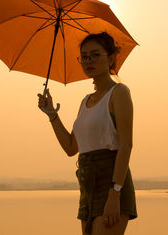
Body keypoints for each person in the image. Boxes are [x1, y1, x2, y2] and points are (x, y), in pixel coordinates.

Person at [37, 32, 138, 235]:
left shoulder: (119, 92)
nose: (88, 61)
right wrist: (51, 115)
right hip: (87, 185)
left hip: (111, 182)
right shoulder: (85, 101)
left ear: (110, 58)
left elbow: (126, 145)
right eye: (84, 56)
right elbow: (71, 147)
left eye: (95, 55)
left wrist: (114, 194)